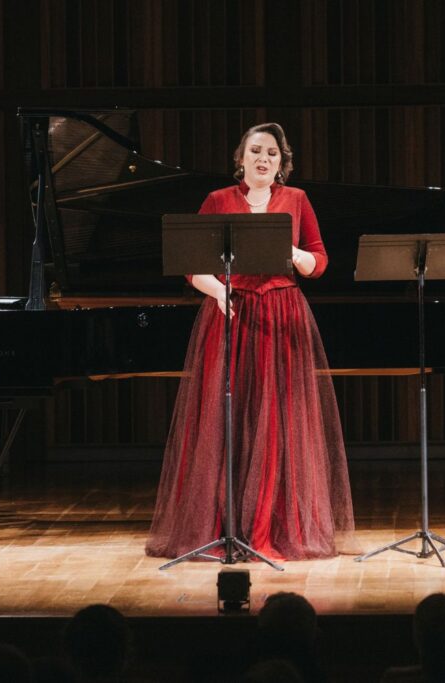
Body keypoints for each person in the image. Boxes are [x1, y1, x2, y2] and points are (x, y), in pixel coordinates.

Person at [145, 123, 354, 561]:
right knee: (228, 417)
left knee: (279, 419)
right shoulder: (219, 200)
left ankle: (274, 525)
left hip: (282, 314)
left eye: (273, 153)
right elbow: (191, 263)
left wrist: (298, 256)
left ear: (282, 163)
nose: (264, 159)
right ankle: (223, 527)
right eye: (256, 151)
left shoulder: (296, 200)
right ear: (240, 158)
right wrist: (217, 291)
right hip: (230, 313)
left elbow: (320, 260)